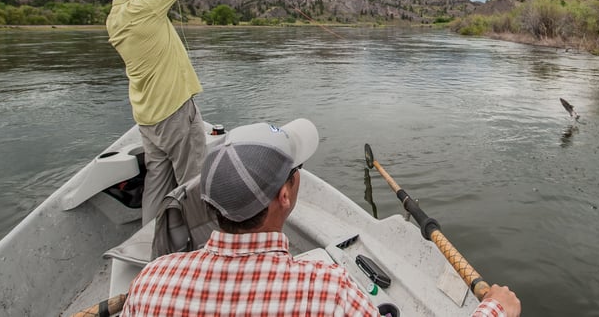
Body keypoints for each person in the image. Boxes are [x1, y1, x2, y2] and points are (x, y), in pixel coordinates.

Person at [121, 119, 521, 317]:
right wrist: (496, 309)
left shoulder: (152, 281)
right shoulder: (325, 292)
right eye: (296, 172)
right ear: (285, 195)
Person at [106, 0, 206, 225]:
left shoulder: (115, 17)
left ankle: (150, 240)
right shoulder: (144, 8)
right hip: (173, 112)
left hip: (148, 119)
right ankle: (196, 245)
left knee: (157, 185)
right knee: (194, 182)